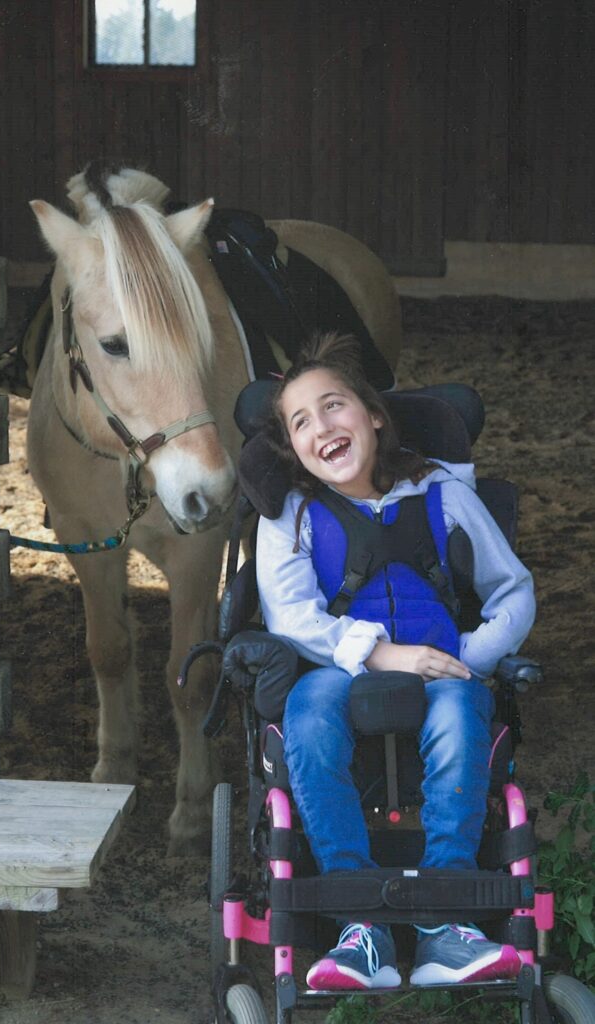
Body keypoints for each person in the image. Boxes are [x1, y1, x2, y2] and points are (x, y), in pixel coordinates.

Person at [255, 331, 536, 991]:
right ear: (293, 447)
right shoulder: (290, 515)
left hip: (441, 666)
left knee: (459, 707)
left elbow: (512, 590)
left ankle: (445, 922)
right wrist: (381, 652)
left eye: (333, 406)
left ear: (374, 415)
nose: (320, 426)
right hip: (337, 669)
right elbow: (289, 616)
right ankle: (361, 928)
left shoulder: (440, 493)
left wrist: (469, 654)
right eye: (300, 421)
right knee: (310, 712)